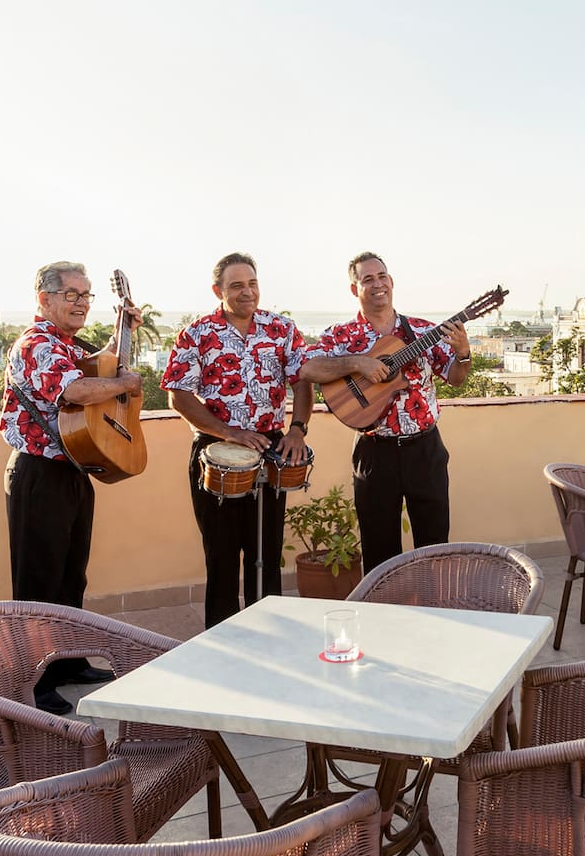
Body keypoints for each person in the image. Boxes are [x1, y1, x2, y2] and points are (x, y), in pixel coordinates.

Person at [0, 260, 143, 714]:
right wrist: (123, 383)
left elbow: (94, 366)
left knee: (70, 576)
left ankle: (68, 661)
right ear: (44, 299)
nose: (81, 303)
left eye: (86, 295)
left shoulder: (64, 344)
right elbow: (76, 391)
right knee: (38, 581)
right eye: (71, 295)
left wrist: (124, 329)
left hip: (73, 468)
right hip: (39, 474)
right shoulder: (37, 344)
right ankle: (33, 682)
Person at [163, 252, 312, 628]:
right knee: (222, 555)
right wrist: (229, 431)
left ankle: (271, 635)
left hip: (270, 445)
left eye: (252, 284)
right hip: (216, 448)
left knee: (266, 551)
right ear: (218, 290)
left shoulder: (281, 329)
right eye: (236, 286)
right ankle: (222, 645)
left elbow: (303, 381)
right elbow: (178, 395)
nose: (248, 293)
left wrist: (297, 429)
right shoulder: (196, 333)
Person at [300, 252, 470, 572]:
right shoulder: (342, 336)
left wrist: (463, 354)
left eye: (382, 277)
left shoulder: (421, 330)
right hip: (375, 453)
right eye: (368, 279)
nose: (377, 284)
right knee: (379, 551)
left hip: (425, 449)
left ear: (391, 282)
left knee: (434, 546)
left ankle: (434, 618)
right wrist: (357, 362)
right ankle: (385, 620)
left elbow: (456, 378)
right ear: (355, 289)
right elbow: (308, 369)